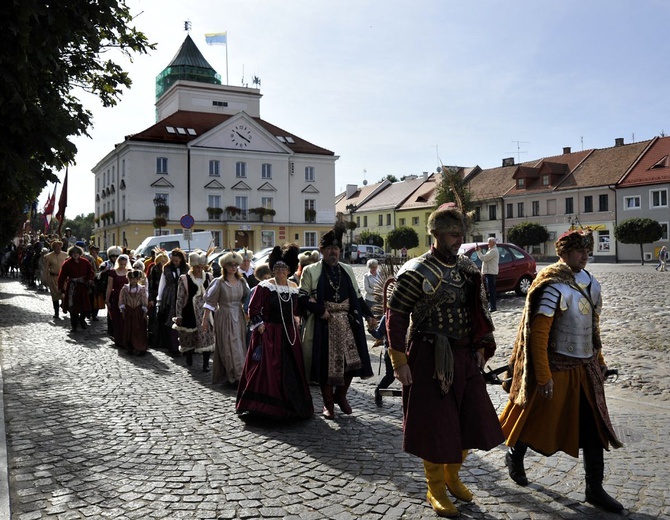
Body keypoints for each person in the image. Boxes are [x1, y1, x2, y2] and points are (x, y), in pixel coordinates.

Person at [386, 204, 504, 518]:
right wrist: (400, 361)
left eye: (461, 233)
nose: (458, 239)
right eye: (453, 233)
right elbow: (395, 316)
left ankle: (453, 475)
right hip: (429, 355)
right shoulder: (415, 270)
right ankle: (435, 486)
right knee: (436, 425)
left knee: (471, 418)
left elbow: (478, 312)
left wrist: (482, 346)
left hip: (465, 355)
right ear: (436, 233)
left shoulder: (466, 268)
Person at [499, 229, 624, 513]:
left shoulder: (590, 283)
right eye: (579, 250)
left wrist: (600, 362)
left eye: (587, 250)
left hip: (586, 368)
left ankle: (594, 489)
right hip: (557, 368)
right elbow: (538, 335)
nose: (585, 255)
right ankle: (514, 455)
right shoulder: (551, 284)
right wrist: (542, 376)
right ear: (563, 252)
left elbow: (593, 330)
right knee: (537, 422)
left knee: (595, 429)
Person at [299, 225, 376, 420]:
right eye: (329, 249)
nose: (333, 252)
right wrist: (320, 310)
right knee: (326, 366)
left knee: (351, 363)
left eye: (336, 249)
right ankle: (328, 404)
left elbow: (358, 298)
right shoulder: (311, 270)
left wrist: (369, 315)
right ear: (322, 251)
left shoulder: (347, 269)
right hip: (323, 324)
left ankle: (340, 396)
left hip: (348, 323)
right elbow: (302, 297)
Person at [237, 244, 313, 419]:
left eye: (283, 268)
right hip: (269, 333)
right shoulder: (265, 286)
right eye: (277, 267)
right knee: (268, 368)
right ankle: (262, 407)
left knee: (291, 369)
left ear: (289, 270)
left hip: (288, 335)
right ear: (272, 269)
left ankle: (291, 405)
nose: (280, 270)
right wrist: (260, 325)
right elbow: (253, 308)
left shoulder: (293, 287)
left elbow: (297, 308)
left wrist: (297, 318)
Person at [202, 251, 249, 386]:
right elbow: (210, 302)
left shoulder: (242, 281)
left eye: (235, 265)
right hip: (223, 316)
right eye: (230, 265)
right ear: (225, 266)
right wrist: (205, 320)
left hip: (238, 317)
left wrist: (249, 314)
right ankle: (232, 376)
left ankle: (239, 375)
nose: (233, 267)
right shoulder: (219, 282)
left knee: (239, 346)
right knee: (227, 347)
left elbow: (248, 299)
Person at [172, 251, 215, 371]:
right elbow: (180, 298)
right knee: (190, 336)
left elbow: (213, 294)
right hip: (190, 311)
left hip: (206, 312)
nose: (199, 270)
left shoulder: (209, 277)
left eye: (201, 267)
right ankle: (189, 356)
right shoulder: (185, 279)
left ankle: (205, 363)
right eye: (197, 267)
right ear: (192, 266)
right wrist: (179, 315)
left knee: (207, 337)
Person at [156, 248, 188, 356]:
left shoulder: (186, 268)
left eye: (177, 261)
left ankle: (185, 346)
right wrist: (159, 300)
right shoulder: (167, 268)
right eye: (173, 260)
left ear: (181, 260)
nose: (174, 263)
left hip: (183, 296)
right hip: (170, 296)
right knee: (171, 320)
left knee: (184, 320)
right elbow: (162, 283)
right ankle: (173, 346)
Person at [57, 245, 95, 332]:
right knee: (72, 308)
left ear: (80, 253)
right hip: (72, 288)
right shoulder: (67, 263)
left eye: (77, 253)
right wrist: (60, 287)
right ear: (70, 254)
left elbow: (91, 272)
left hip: (83, 287)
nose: (75, 255)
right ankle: (74, 325)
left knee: (85, 306)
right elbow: (62, 276)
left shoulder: (85, 262)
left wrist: (89, 279)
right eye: (73, 253)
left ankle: (82, 320)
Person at [118, 270, 149, 355]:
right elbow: (122, 299)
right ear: (129, 279)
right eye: (132, 279)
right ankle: (130, 347)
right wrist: (122, 309)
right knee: (129, 329)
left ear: (138, 279)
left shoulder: (141, 289)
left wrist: (144, 310)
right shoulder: (125, 289)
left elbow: (144, 299)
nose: (133, 281)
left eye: (135, 279)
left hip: (138, 311)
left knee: (138, 329)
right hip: (129, 311)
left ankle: (140, 347)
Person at [106, 253, 130, 346]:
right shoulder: (112, 272)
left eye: (124, 264)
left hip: (127, 297)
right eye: (121, 264)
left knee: (125, 319)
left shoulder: (129, 271)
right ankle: (118, 339)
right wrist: (107, 300)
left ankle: (126, 339)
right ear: (118, 263)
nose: (123, 266)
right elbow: (109, 287)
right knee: (117, 319)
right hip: (115, 297)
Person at [147, 250, 169, 347]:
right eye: (161, 262)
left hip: (167, 296)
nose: (163, 264)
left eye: (165, 261)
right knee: (155, 320)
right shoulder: (154, 269)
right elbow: (150, 285)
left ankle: (164, 341)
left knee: (164, 319)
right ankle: (155, 341)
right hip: (156, 296)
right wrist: (151, 298)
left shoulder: (168, 269)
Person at [42, 239, 68, 319]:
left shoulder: (66, 255)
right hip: (53, 278)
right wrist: (45, 279)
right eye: (56, 246)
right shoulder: (48, 257)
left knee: (64, 294)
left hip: (64, 278)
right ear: (53, 247)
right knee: (55, 296)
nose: (58, 248)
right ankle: (56, 312)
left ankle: (64, 306)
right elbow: (45, 269)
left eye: (59, 246)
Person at [476, 237, 499, 312]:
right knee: (490, 290)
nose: (488, 244)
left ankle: (493, 307)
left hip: (491, 273)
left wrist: (478, 251)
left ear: (493, 243)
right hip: (488, 272)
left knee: (491, 290)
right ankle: (491, 306)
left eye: (489, 242)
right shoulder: (491, 250)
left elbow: (484, 258)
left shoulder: (493, 251)